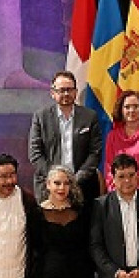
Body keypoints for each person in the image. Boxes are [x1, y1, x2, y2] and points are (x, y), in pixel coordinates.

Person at [28, 70, 102, 202]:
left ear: (75, 92)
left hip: (83, 186)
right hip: (49, 186)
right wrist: (56, 180)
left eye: (69, 90)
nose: (66, 94)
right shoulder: (41, 117)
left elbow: (95, 153)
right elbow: (35, 153)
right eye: (61, 90)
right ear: (53, 93)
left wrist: (75, 179)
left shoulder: (90, 117)